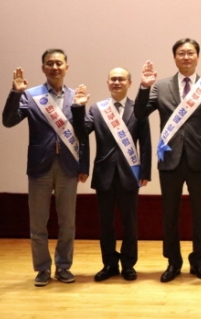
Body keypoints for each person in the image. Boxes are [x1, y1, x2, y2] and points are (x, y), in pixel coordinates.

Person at [134, 38, 201, 283]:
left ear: (197, 57)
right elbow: (140, 114)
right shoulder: (160, 86)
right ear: (174, 58)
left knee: (200, 214)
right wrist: (143, 87)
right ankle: (173, 262)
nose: (186, 57)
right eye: (181, 53)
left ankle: (198, 262)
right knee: (170, 214)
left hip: (199, 158)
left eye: (191, 53)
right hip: (170, 159)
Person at [2, 48, 90, 286]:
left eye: (59, 63)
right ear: (43, 68)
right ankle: (42, 268)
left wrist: (84, 165)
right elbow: (8, 121)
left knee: (67, 222)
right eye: (49, 63)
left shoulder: (76, 96)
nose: (55, 67)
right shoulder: (31, 95)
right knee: (38, 223)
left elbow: (82, 135)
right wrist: (15, 92)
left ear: (66, 67)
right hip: (40, 166)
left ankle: (63, 267)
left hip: (68, 167)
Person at [84, 68, 152, 281]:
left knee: (129, 222)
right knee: (106, 223)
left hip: (129, 173)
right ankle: (109, 264)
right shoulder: (97, 109)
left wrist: (146, 171)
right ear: (107, 82)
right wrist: (78, 109)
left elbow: (146, 143)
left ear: (129, 83)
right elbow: (81, 132)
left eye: (121, 79)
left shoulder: (138, 109)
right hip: (104, 173)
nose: (116, 82)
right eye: (113, 79)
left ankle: (129, 264)